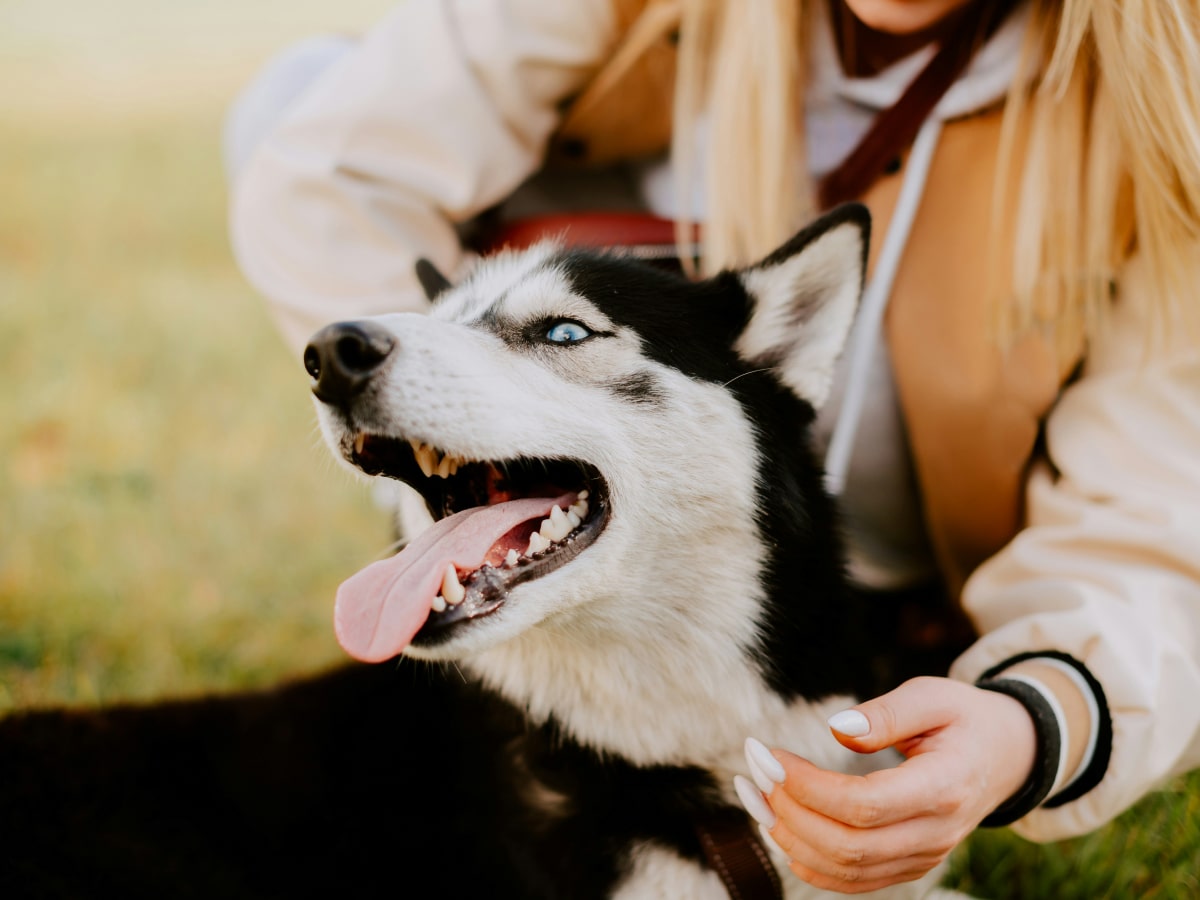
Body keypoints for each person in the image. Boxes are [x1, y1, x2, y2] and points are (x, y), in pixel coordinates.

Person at [225, 0, 1200, 893]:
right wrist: (450, 439)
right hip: (580, 459)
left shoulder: (1159, 100)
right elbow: (324, 178)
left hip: (872, 552)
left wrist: (1030, 723)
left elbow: (1152, 528)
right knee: (297, 97)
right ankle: (504, 551)